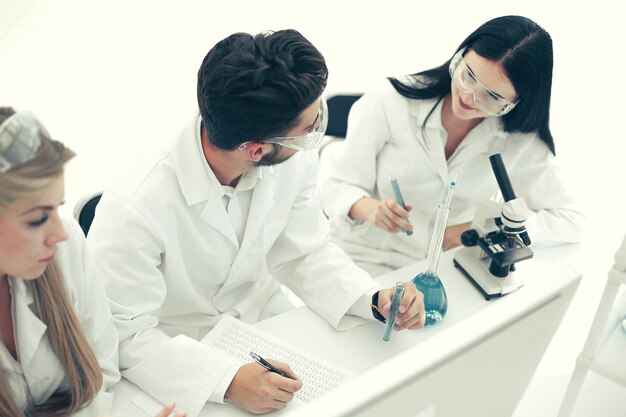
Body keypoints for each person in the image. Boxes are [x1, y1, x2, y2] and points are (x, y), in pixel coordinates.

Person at [87, 29, 426, 417]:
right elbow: (126, 333)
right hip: (174, 353)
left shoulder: (292, 159)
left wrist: (372, 299)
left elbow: (304, 252)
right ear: (257, 150)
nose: (316, 134)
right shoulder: (135, 205)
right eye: (309, 130)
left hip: (263, 320)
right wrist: (227, 380)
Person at [320, 15, 585, 277]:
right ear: (460, 55)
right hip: (359, 258)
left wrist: (483, 229)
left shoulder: (521, 141)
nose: (469, 96)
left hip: (442, 269)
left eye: (491, 95)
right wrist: (371, 209)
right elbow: (335, 185)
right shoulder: (391, 100)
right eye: (468, 75)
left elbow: (570, 220)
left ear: (516, 102)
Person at [0, 108, 120, 417]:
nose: (60, 233)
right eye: (39, 217)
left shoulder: (66, 246)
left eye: (58, 206)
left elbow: (102, 369)